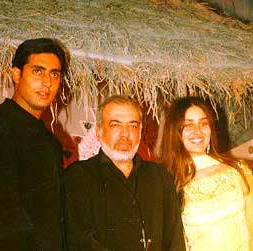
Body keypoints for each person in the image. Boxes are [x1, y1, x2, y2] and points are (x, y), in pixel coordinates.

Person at [65, 95, 186, 251]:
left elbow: (175, 241)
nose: (125, 134)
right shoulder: (78, 177)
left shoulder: (159, 177)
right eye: (115, 125)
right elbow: (80, 242)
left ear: (140, 131)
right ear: (99, 132)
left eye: (132, 126)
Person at [0, 38, 70, 251]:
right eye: (37, 71)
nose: (47, 82)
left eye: (54, 74)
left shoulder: (51, 143)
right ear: (16, 74)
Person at [156, 96, 253, 251]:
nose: (198, 131)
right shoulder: (169, 183)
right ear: (176, 132)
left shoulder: (239, 171)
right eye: (188, 125)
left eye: (203, 123)